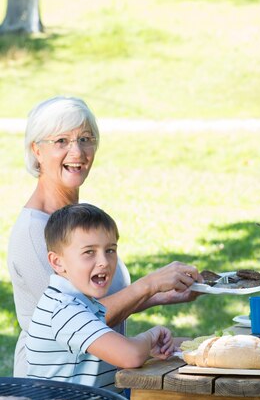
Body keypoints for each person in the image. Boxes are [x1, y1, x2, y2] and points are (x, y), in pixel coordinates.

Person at [8, 96, 202, 377]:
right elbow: (74, 320)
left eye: (86, 139)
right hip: (56, 391)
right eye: (61, 141)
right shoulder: (33, 232)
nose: (77, 151)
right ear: (36, 150)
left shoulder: (80, 223)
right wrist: (148, 286)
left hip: (98, 386)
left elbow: (94, 305)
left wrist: (161, 294)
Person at [26, 203, 174, 393]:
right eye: (89, 252)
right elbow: (130, 356)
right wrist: (150, 337)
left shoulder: (80, 303)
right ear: (57, 262)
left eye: (110, 250)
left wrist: (148, 348)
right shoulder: (64, 310)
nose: (104, 262)